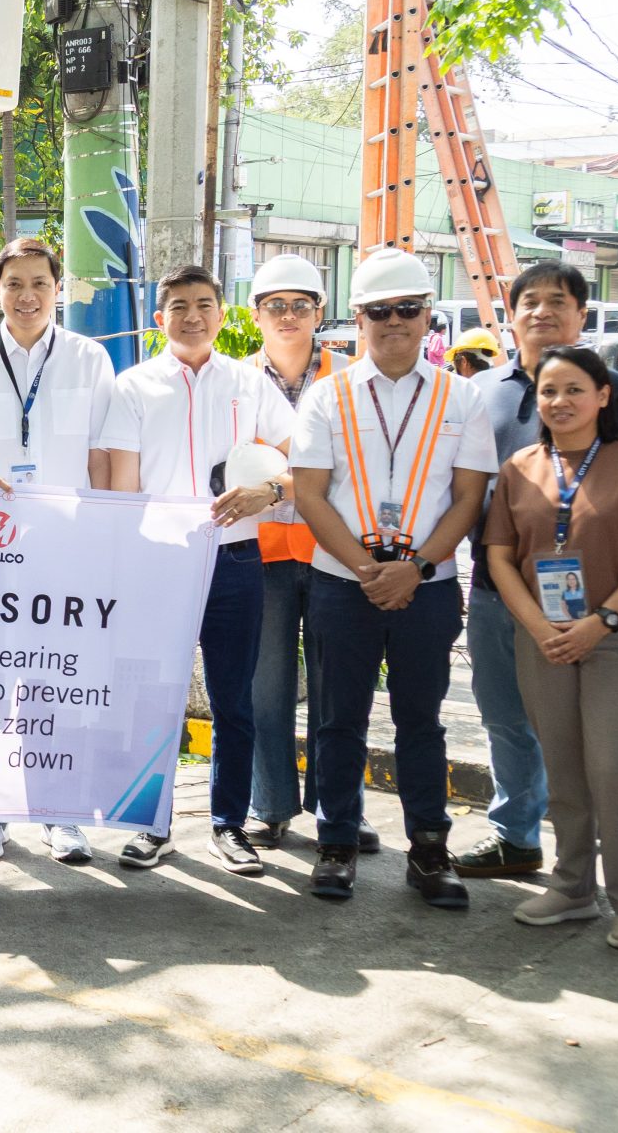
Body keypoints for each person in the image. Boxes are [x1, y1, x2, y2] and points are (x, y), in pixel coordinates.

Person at [290, 246, 497, 908]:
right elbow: (310, 494)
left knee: (421, 722)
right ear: (358, 319)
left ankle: (429, 851)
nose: (394, 321)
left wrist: (416, 569)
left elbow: (468, 498)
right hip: (341, 584)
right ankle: (336, 844)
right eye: (379, 311)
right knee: (338, 722)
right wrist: (367, 570)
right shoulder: (328, 396)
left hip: (426, 588)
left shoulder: (462, 397)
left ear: (428, 316)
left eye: (407, 308)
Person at [481, 346, 618, 952]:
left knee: (613, 767)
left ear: (603, 396)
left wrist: (605, 619)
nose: (560, 402)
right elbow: (499, 557)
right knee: (564, 763)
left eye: (574, 389)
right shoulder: (519, 467)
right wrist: (539, 627)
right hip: (542, 639)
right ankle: (572, 886)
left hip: (617, 637)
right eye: (548, 391)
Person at [458, 262, 618, 881]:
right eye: (531, 302)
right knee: (504, 718)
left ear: (581, 315)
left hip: (595, 607)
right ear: (511, 315)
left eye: (558, 302)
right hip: (498, 589)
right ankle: (516, 836)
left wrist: (614, 607)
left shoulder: (614, 392)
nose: (543, 312)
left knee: (593, 743)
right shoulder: (480, 391)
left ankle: (596, 867)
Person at [105, 264, 295, 876]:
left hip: (235, 560)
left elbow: (300, 463)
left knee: (233, 700)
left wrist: (269, 490)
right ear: (160, 318)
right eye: (180, 306)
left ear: (221, 312)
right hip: (159, 564)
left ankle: (228, 825)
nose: (193, 316)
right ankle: (150, 825)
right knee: (151, 700)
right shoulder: (132, 387)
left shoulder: (250, 383)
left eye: (205, 304)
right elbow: (123, 487)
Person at [0, 236, 115, 863]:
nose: (27, 296)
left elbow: (100, 456)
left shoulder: (90, 359)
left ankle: (59, 814)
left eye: (40, 283)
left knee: (52, 683)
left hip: (65, 551)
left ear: (57, 289)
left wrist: (99, 536)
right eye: (14, 284)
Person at [241, 255, 375, 854]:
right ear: (255, 314)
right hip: (260, 555)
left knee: (337, 692)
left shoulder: (352, 378)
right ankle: (268, 806)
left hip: (334, 556)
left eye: (301, 304)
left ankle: (338, 809)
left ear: (320, 312)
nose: (288, 316)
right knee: (265, 689)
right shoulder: (236, 381)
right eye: (275, 305)